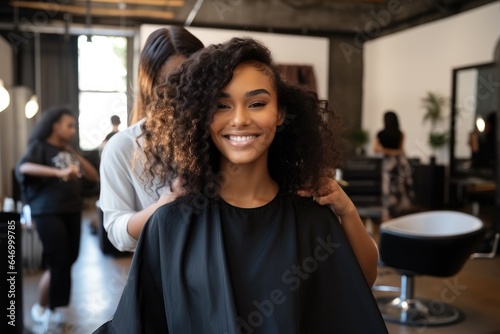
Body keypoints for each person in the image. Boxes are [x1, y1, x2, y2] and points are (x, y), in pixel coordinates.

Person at [95, 37, 385, 333]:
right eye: (221, 105)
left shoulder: (310, 218)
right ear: (202, 117)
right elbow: (138, 322)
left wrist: (347, 211)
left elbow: (358, 287)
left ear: (281, 113)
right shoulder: (169, 225)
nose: (240, 119)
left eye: (257, 103)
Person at [99, 26, 204, 252]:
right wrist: (163, 206)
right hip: (164, 274)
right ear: (151, 86)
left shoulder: (220, 133)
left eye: (192, 81)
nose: (183, 94)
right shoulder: (123, 147)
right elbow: (118, 233)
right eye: (170, 85)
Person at [16, 106, 99, 330]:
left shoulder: (69, 150)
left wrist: (75, 154)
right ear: (55, 125)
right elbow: (24, 167)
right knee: (59, 260)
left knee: (67, 260)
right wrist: (60, 172)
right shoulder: (39, 147)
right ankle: (49, 309)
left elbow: (92, 176)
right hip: (47, 211)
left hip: (72, 210)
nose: (73, 130)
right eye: (69, 125)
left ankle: (46, 308)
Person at [373, 110, 415, 221]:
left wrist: (386, 150)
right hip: (399, 163)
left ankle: (387, 218)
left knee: (387, 190)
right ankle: (399, 218)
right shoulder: (401, 133)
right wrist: (393, 152)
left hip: (388, 164)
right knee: (399, 189)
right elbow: (401, 150)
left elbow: (376, 149)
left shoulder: (380, 134)